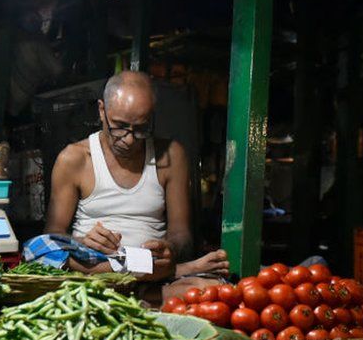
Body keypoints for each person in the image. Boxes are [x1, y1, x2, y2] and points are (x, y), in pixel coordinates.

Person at [44, 70, 229, 281]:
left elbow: (181, 233)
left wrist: (170, 249)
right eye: (120, 127)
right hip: (93, 268)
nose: (130, 140)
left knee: (212, 290)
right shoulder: (74, 159)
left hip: (154, 272)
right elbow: (52, 234)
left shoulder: (171, 156)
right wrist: (81, 242)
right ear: (102, 110)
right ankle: (169, 272)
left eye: (141, 129)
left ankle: (158, 272)